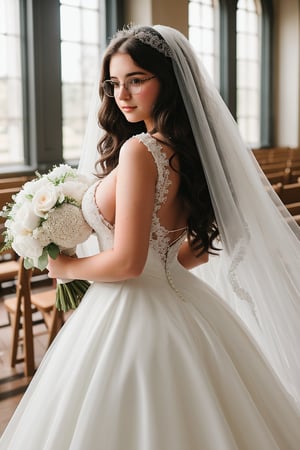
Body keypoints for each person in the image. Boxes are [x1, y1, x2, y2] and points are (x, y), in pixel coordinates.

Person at [1, 24, 300, 450]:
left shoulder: (140, 150)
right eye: (114, 83)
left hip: (131, 310)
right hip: (185, 302)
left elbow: (128, 263)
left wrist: (65, 266)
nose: (121, 95)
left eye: (136, 80)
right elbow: (185, 255)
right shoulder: (188, 152)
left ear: (170, 82)